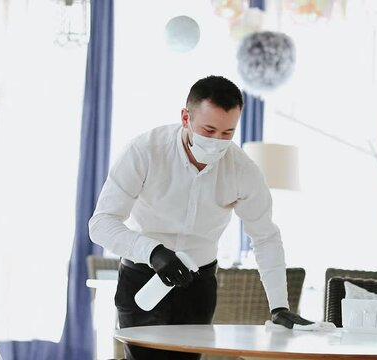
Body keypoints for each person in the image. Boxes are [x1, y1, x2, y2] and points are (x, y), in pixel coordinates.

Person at [88, 75, 313, 360]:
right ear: (186, 117)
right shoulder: (144, 151)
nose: (217, 141)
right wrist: (153, 252)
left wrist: (279, 306)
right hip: (143, 276)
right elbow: (101, 224)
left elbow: (265, 237)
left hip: (198, 283)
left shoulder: (242, 170)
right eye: (209, 129)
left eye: (227, 133)